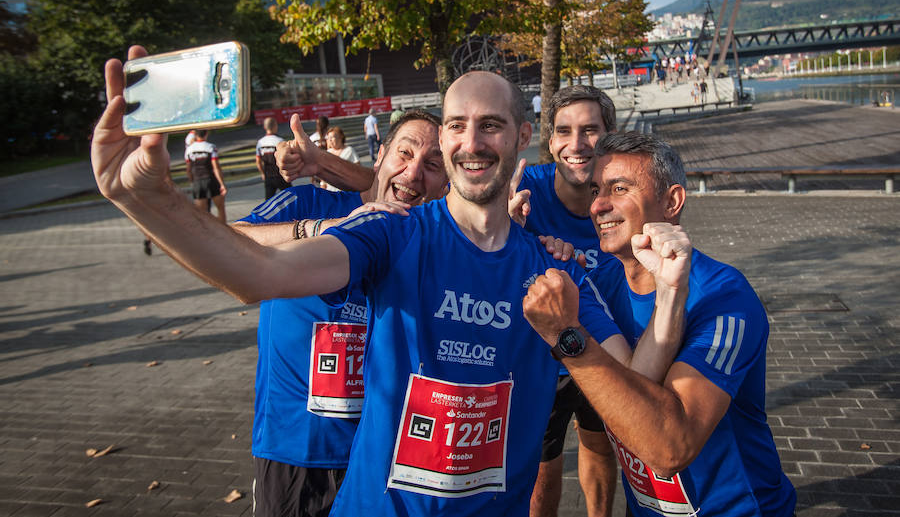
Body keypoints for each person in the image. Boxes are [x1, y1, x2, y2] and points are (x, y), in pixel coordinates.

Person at [93, 50, 686, 517]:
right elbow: (259, 274)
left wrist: (666, 291)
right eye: (456, 125)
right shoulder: (391, 235)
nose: (471, 142)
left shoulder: (555, 274)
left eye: (491, 126)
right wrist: (149, 201)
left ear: (522, 135)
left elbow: (640, 392)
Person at [523, 132, 797, 517]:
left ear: (672, 201)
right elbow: (632, 389)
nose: (598, 205)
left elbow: (669, 447)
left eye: (619, 189)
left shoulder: (724, 299)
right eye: (597, 189)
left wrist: (569, 335)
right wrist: (519, 235)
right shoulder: (599, 284)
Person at [232, 111, 448, 517]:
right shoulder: (308, 202)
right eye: (404, 153)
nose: (414, 172)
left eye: (433, 165)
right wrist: (324, 229)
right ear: (379, 155)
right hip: (297, 452)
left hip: (386, 460)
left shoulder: (434, 239)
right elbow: (230, 240)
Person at [511, 85, 621, 517]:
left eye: (590, 130)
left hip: (610, 346)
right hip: (543, 355)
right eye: (564, 131)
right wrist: (504, 224)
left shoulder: (624, 191)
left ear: (609, 134)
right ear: (550, 139)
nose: (576, 145)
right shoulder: (524, 190)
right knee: (543, 463)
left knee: (599, 441)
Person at [184, 129, 227, 223]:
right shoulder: (211, 147)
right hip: (211, 180)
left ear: (195, 135)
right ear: (206, 134)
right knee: (220, 208)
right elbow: (216, 167)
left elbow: (188, 169)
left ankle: (205, 233)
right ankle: (224, 230)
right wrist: (222, 184)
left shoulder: (189, 149)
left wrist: (192, 182)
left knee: (201, 212)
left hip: (197, 181)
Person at [256, 117, 291, 199]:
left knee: (268, 201)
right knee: (290, 197)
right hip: (280, 175)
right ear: (275, 126)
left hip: (268, 176)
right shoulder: (280, 141)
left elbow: (258, 161)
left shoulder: (260, 142)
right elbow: (286, 158)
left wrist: (262, 173)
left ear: (265, 127)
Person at [321, 127, 359, 191]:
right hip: (330, 191)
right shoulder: (328, 153)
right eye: (328, 138)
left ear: (340, 137)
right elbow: (323, 172)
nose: (330, 140)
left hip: (346, 190)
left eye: (332, 137)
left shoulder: (349, 150)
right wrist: (323, 186)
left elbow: (358, 169)